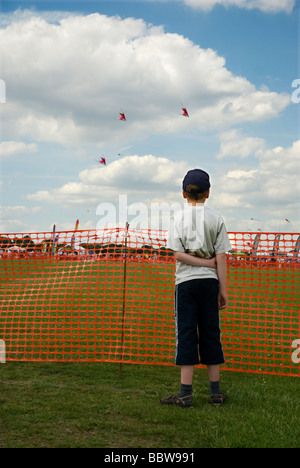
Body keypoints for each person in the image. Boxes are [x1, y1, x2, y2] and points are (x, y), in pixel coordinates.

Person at [161, 169, 232, 408]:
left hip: (186, 283)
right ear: (208, 193)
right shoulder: (217, 218)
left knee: (187, 333)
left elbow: (178, 256)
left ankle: (185, 394)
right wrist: (222, 289)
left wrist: (199, 261)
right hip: (210, 282)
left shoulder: (177, 218)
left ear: (184, 193)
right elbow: (221, 257)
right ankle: (215, 394)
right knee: (211, 332)